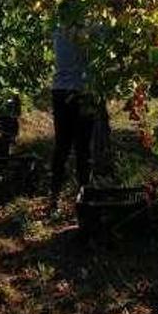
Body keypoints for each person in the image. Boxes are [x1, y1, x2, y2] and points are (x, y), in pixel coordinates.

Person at [50, 22, 95, 208]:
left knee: (62, 145)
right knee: (83, 149)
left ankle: (54, 196)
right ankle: (85, 199)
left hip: (59, 91)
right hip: (81, 93)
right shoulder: (89, 29)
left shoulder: (58, 30)